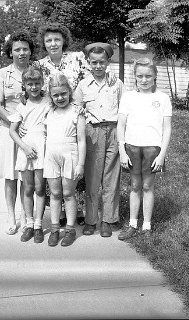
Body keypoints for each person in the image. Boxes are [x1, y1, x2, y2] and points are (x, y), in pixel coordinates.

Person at [31, 22, 116, 227]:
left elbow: (98, 71)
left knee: (75, 164)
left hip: (77, 117)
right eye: (49, 40)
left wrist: (111, 73)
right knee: (55, 168)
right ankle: (59, 214)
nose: (53, 43)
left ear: (64, 41)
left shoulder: (77, 58)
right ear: (44, 42)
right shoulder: (39, 65)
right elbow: (32, 88)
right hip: (51, 118)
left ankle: (77, 210)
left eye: (57, 39)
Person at [73, 42, 126, 238]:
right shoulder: (83, 85)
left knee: (111, 178)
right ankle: (91, 220)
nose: (98, 66)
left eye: (101, 62)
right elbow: (76, 109)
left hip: (113, 131)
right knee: (93, 178)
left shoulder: (117, 83)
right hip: (92, 133)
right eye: (94, 62)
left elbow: (125, 110)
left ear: (108, 62)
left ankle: (108, 220)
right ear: (88, 62)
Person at [117, 58, 172, 240]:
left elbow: (167, 128)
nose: (144, 80)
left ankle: (146, 225)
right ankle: (133, 224)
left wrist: (162, 155)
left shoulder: (162, 98)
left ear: (155, 76)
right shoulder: (128, 97)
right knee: (135, 185)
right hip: (132, 147)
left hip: (152, 149)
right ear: (134, 77)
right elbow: (121, 126)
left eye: (148, 76)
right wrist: (123, 152)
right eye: (140, 76)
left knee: (148, 186)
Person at [0, 31, 35, 235]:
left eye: (25, 49)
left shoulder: (37, 71)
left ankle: (26, 216)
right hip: (8, 130)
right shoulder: (3, 73)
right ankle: (11, 215)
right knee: (10, 176)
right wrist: (14, 122)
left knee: (27, 175)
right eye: (17, 49)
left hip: (31, 131)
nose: (21, 52)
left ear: (30, 51)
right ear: (11, 52)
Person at [43, 73, 86, 247]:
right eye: (55, 95)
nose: (60, 98)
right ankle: (54, 230)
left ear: (69, 92)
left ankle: (70, 229)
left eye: (63, 94)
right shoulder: (49, 111)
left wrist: (81, 164)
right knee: (54, 194)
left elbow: (82, 140)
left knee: (68, 194)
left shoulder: (77, 112)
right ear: (50, 96)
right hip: (51, 156)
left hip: (70, 155)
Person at [8, 66, 48, 243]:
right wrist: (23, 147)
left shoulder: (47, 101)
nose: (33, 87)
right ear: (24, 85)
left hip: (42, 149)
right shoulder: (22, 105)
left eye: (37, 83)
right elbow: (12, 131)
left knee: (40, 189)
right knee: (28, 188)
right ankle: (29, 224)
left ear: (42, 83)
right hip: (26, 150)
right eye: (30, 84)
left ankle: (38, 225)